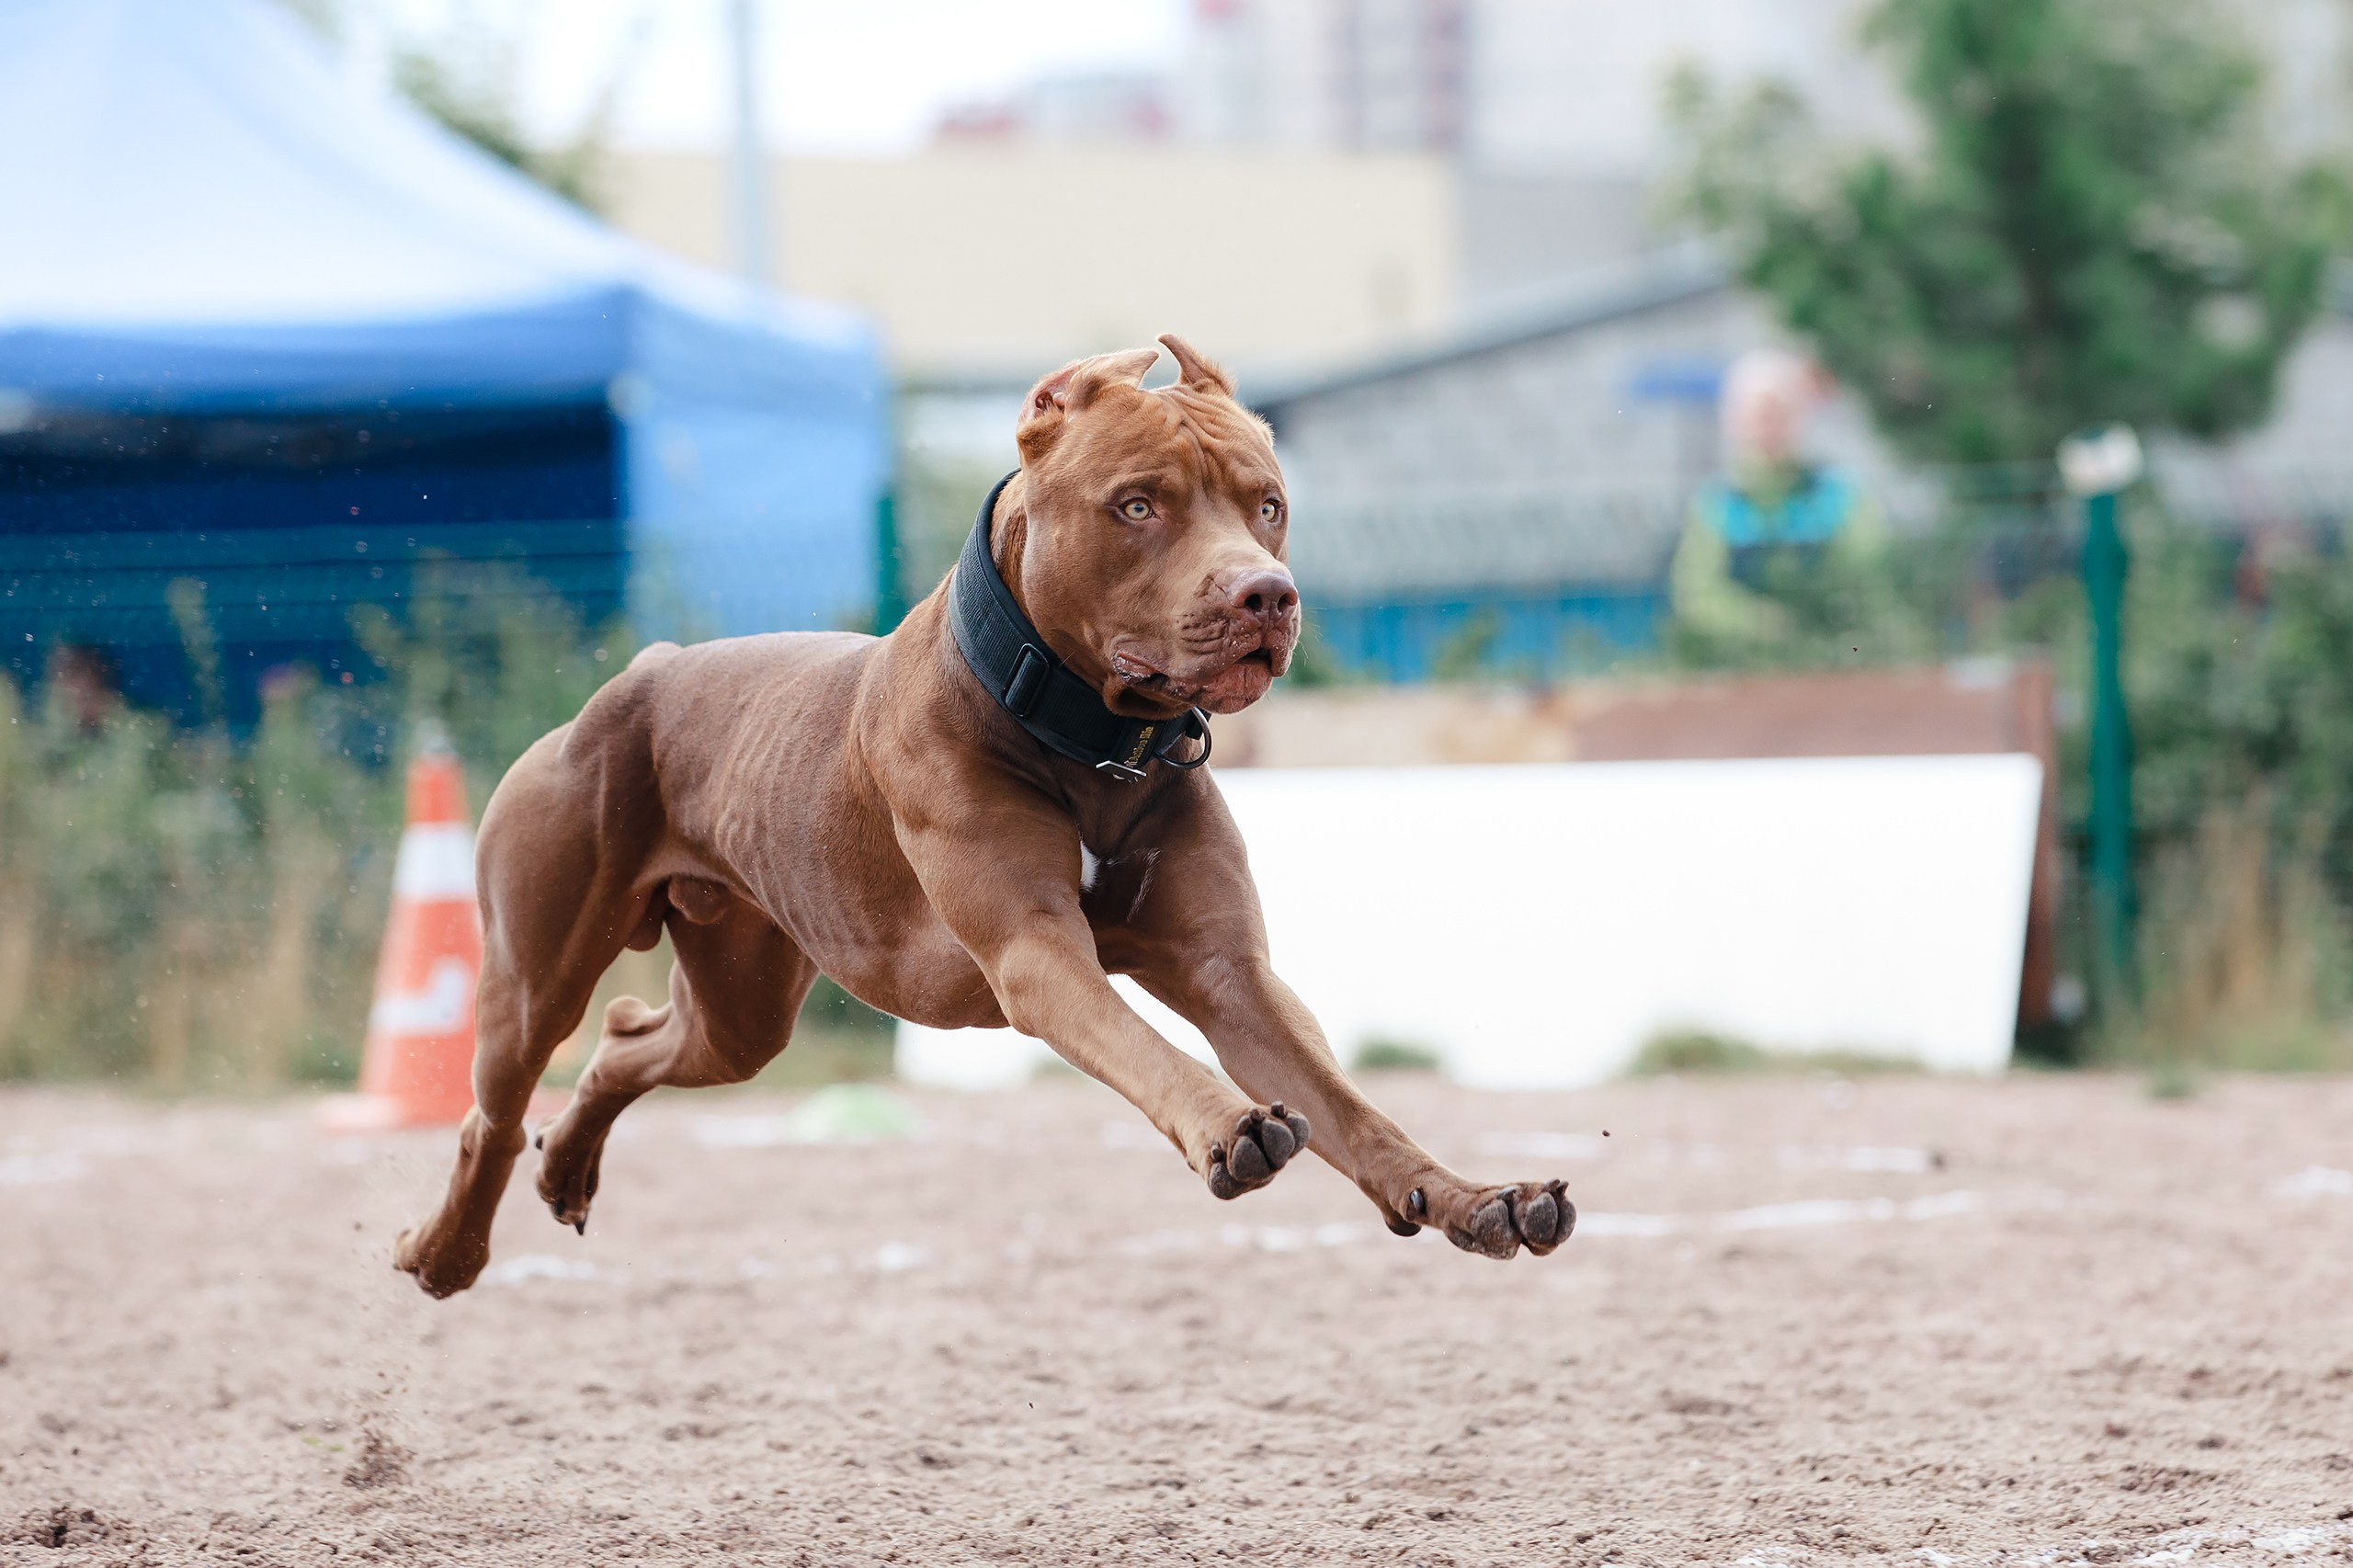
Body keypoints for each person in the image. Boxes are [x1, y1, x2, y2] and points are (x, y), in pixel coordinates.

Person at [1670, 348, 1885, 654]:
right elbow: (1696, 596)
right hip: (1737, 663)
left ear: (1801, 418)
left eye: (1780, 415)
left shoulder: (1840, 497)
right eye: (1758, 417)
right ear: (1733, 423)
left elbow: (1872, 580)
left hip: (1829, 660)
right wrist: (1763, 625)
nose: (1768, 430)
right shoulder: (1716, 505)